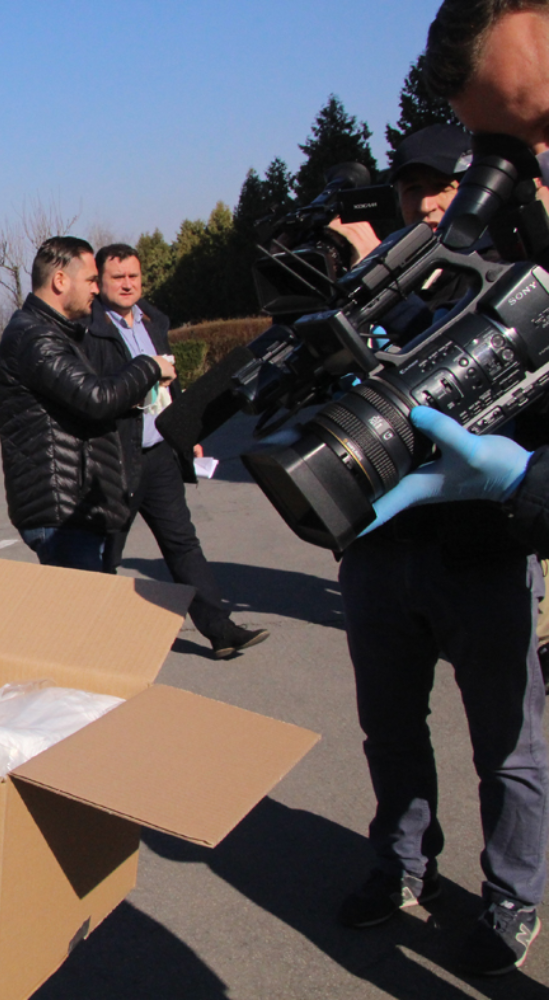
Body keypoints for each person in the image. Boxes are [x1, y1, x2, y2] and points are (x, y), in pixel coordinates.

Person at [316, 4, 549, 976]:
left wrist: (520, 480)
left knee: (508, 743)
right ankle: (402, 864)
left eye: (444, 182)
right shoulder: (373, 283)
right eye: (412, 185)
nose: (426, 202)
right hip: (382, 547)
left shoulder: (521, 278)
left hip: (485, 544)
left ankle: (512, 896)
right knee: (390, 728)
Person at [89, 245, 268, 659]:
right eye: (118, 277)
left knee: (183, 543)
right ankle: (99, 643)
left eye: (134, 276)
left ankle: (220, 630)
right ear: (99, 282)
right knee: (105, 555)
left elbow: (172, 383)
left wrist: (185, 432)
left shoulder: (153, 321)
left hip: (160, 454)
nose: (128, 284)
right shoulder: (91, 330)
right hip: (117, 459)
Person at [0, 236, 175, 572]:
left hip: (76, 505)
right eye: (91, 280)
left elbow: (85, 399)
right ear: (60, 280)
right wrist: (149, 366)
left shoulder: (56, 332)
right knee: (87, 604)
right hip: (61, 512)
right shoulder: (35, 337)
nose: (96, 289)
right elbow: (96, 399)